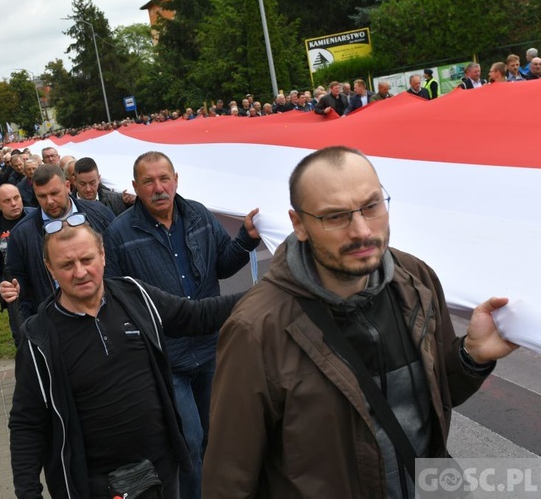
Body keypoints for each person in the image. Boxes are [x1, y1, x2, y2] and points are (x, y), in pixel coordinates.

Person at [202, 146, 517, 498]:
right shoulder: (255, 329)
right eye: (335, 216)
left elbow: (434, 401)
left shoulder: (415, 279)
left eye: (371, 206)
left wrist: (471, 356)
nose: (362, 230)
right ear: (299, 224)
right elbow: (230, 476)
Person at [8, 222, 243, 498]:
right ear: (50, 268)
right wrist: (28, 492)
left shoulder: (135, 295)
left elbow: (197, 315)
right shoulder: (38, 337)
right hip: (93, 487)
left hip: (162, 473)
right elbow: (27, 422)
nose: (80, 272)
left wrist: (263, 295)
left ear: (103, 255)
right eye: (67, 265)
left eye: (87, 259)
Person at [104, 151, 261, 499]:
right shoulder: (119, 233)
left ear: (176, 179)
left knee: (216, 434)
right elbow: (114, 295)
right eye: (149, 181)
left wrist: (247, 238)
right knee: (188, 442)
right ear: (135, 186)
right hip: (166, 358)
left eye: (164, 179)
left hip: (211, 349)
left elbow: (223, 263)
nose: (158, 188)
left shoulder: (200, 216)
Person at [0, 164, 115, 329]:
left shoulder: (99, 214)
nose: (50, 201)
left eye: (54, 193)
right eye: (42, 196)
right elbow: (18, 286)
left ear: (67, 186)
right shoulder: (21, 234)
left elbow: (120, 259)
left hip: (108, 313)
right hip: (58, 325)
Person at [0, 184, 33, 344]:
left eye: (16, 198)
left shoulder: (36, 216)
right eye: (7, 201)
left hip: (41, 286)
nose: (14, 204)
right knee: (22, 337)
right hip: (13, 293)